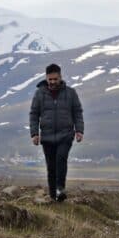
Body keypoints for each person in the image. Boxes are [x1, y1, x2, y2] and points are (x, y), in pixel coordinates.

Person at [29, 63, 84, 201]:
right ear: (46, 78)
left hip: (65, 135)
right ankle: (54, 196)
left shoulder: (70, 93)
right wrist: (34, 133)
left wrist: (79, 130)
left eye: (55, 79)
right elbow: (34, 114)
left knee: (61, 159)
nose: (52, 82)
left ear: (60, 77)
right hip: (47, 136)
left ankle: (60, 188)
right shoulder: (39, 94)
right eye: (50, 79)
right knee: (51, 166)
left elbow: (77, 112)